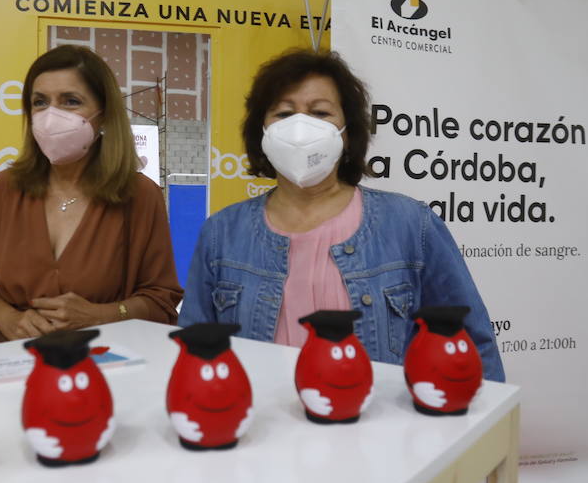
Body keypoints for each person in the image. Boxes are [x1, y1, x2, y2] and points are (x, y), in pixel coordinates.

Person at [178, 49, 504, 380]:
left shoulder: (410, 225)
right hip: (259, 424)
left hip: (381, 427)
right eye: (284, 113)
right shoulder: (222, 233)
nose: (300, 128)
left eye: (320, 113)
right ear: (261, 130)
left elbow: (472, 345)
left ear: (347, 133)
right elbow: (195, 350)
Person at [0, 44, 182, 342]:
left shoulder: (139, 195)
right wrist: (8, 318)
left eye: (71, 101)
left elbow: (160, 301)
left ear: (103, 114)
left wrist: (101, 315)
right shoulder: (4, 189)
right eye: (40, 102)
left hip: (107, 365)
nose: (52, 115)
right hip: (12, 364)